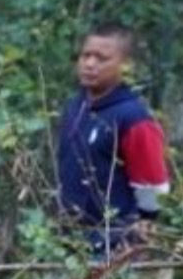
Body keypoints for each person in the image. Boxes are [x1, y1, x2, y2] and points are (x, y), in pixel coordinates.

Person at [57, 23, 170, 258]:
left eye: (102, 58)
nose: (89, 64)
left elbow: (152, 186)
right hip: (69, 241)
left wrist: (142, 228)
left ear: (126, 65)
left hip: (114, 246)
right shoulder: (76, 107)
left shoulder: (133, 118)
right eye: (86, 55)